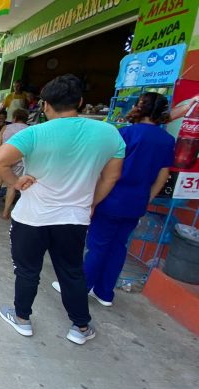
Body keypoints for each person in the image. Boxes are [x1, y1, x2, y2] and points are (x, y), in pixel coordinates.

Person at [0, 74, 125, 345]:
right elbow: (111, 177)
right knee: (72, 271)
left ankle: (22, 319)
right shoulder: (109, 133)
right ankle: (81, 327)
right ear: (81, 102)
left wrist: (16, 182)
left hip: (31, 218)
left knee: (27, 270)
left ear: (45, 104)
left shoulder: (36, 132)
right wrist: (91, 202)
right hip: (74, 219)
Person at [51, 93, 176, 306]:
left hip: (112, 198)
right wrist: (146, 198)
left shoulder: (126, 133)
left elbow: (109, 171)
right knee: (119, 247)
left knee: (97, 245)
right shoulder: (167, 140)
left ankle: (80, 289)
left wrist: (93, 200)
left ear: (140, 108)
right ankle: (105, 293)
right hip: (137, 202)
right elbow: (163, 176)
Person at [0, 108, 28, 219]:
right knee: (11, 186)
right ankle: (5, 213)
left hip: (4, 161)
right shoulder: (30, 129)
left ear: (15, 118)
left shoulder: (6, 127)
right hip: (19, 161)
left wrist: (1, 156)